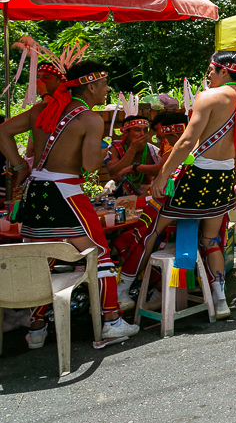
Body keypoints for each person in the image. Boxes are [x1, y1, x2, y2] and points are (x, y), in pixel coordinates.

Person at [0, 60, 140, 348]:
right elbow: (89, 166)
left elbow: (2, 131)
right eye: (103, 83)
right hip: (66, 193)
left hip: (35, 192)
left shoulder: (43, 109)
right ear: (90, 85)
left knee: (43, 259)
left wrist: (18, 166)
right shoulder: (90, 118)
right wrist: (103, 151)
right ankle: (111, 320)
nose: (106, 88)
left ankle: (36, 330)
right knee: (99, 253)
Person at [152, 51, 236, 319]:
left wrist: (163, 175)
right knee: (212, 240)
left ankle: (128, 291)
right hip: (223, 180)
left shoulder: (208, 97)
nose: (208, 77)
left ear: (224, 71)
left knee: (152, 229)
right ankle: (221, 299)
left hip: (194, 177)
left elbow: (188, 141)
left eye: (211, 71)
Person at [111, 111, 190, 310]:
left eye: (151, 130)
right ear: (125, 133)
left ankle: (127, 289)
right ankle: (204, 292)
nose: (151, 135)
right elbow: (113, 173)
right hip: (191, 214)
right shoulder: (201, 146)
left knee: (138, 237)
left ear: (170, 130)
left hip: (169, 212)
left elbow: (164, 173)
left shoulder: (171, 148)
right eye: (137, 130)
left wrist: (136, 168)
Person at [104, 114, 161, 197]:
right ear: (126, 133)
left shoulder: (154, 152)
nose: (142, 134)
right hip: (123, 196)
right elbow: (114, 176)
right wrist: (132, 150)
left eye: (145, 130)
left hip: (148, 196)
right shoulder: (115, 148)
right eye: (137, 130)